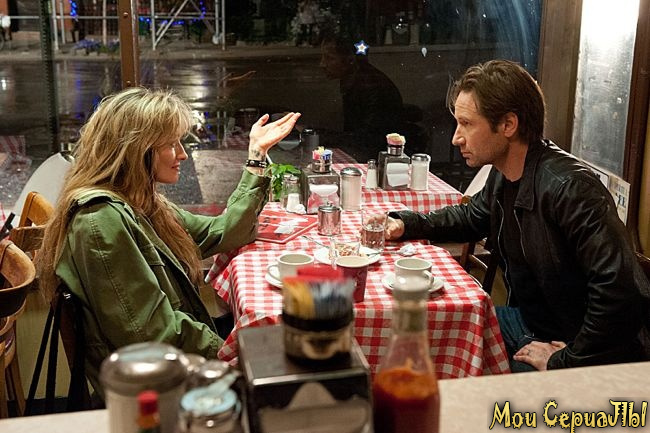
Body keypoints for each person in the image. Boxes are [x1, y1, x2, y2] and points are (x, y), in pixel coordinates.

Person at [381, 59, 650, 372]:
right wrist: (406, 223)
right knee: (430, 329)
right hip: (531, 323)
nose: (456, 138)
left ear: (508, 125)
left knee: (464, 370)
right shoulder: (504, 173)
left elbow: (621, 293)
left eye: (467, 124)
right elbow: (471, 217)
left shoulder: (570, 188)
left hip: (580, 348)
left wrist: (565, 360)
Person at [37, 87, 300, 396]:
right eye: (172, 144)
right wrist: (236, 353)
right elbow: (152, 336)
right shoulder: (100, 220)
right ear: (137, 149)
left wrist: (256, 155)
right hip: (159, 388)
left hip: (179, 358)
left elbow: (222, 231)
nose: (183, 154)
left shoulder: (141, 202)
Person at [319, 35, 425, 161]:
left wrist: (319, 135)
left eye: (329, 58)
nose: (322, 64)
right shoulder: (355, 79)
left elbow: (367, 139)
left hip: (381, 157)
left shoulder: (369, 86)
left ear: (350, 59)